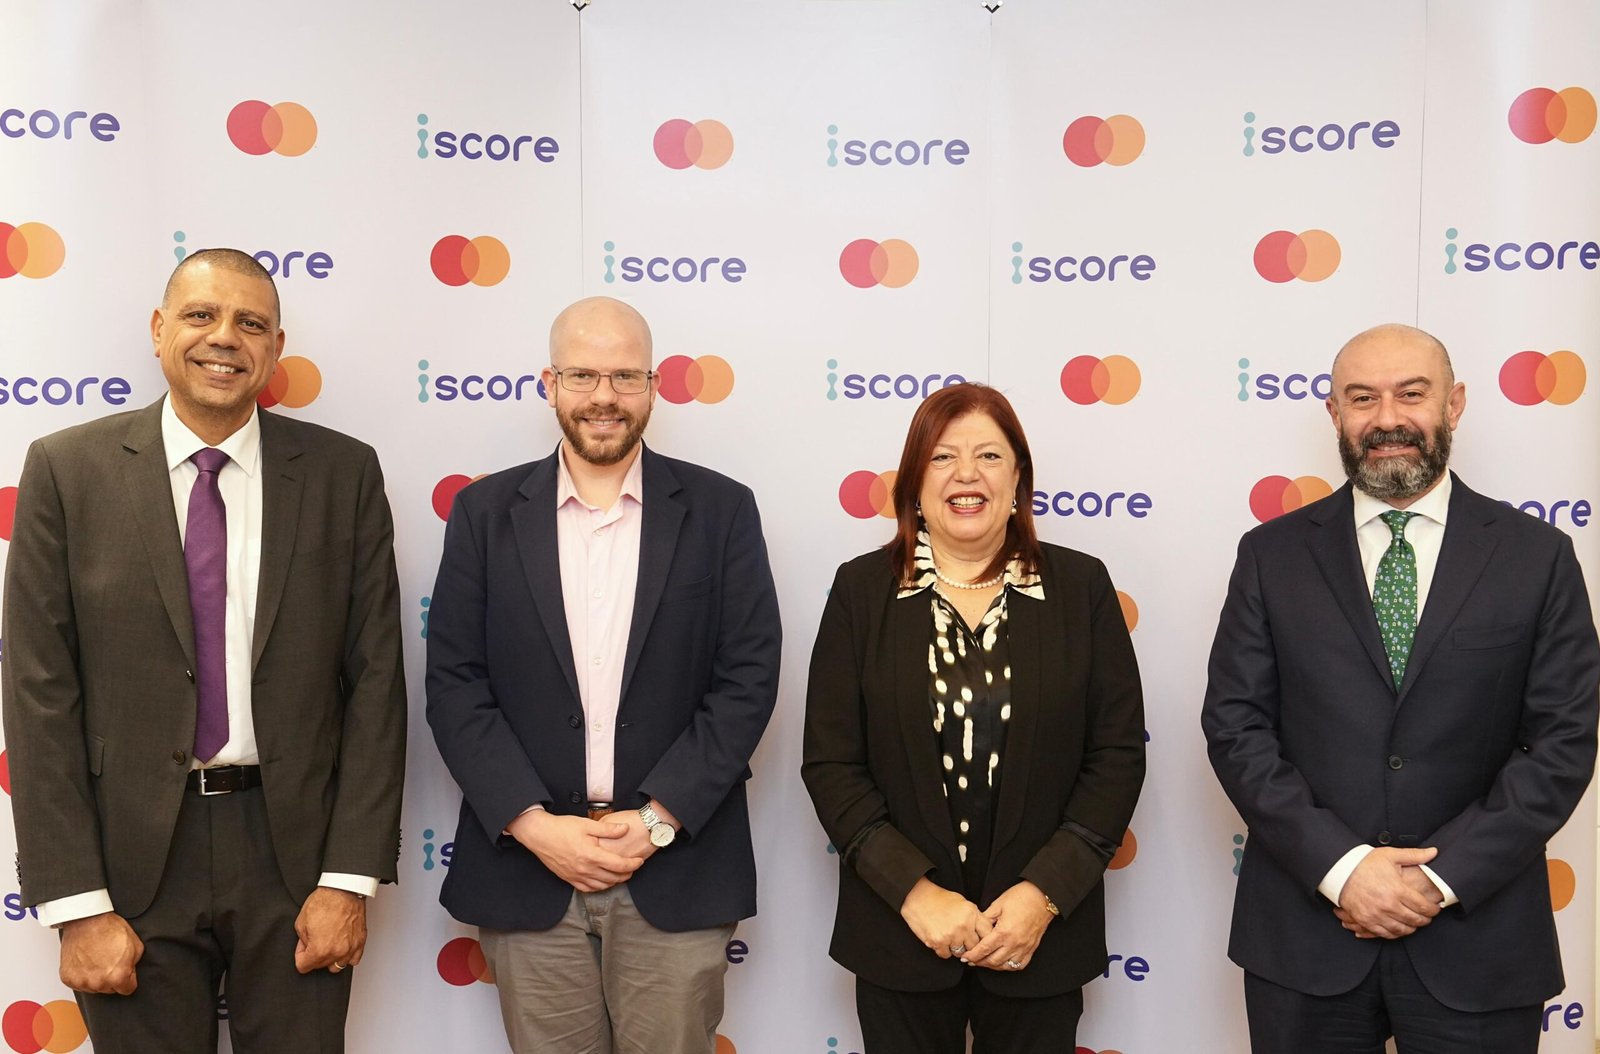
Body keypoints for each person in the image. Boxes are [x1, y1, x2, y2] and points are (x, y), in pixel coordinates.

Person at [1, 248, 408, 1052]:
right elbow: (38, 696)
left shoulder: (343, 473)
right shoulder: (66, 470)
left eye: (250, 323)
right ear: (159, 330)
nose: (225, 337)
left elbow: (376, 686)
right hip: (128, 867)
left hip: (295, 863)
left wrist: (347, 880)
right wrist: (76, 903)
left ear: (276, 348)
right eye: (201, 315)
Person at [1201, 323, 1600, 1053]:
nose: (1387, 419)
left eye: (1411, 394)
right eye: (1363, 398)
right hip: (1306, 939)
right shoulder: (1269, 556)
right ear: (1334, 413)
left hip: (1479, 942)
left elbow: (1562, 744)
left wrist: (1435, 882)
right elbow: (1237, 728)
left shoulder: (1537, 557)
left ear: (1455, 405)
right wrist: (1344, 869)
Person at [425, 295, 782, 1054]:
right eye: (583, 375)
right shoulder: (482, 514)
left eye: (625, 377)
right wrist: (534, 826)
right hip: (528, 870)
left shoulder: (722, 510)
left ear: (654, 386)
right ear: (549, 384)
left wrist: (656, 821)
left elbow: (747, 678)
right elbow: (455, 684)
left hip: (676, 867)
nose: (604, 397)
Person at [802, 382, 1146, 1053]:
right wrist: (914, 893)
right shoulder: (860, 592)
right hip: (901, 935)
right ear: (914, 482)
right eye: (942, 457)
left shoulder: (1081, 588)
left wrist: (1044, 894)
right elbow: (832, 763)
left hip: (1039, 940)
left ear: (1018, 477)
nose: (967, 474)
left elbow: (1116, 756)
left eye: (989, 456)